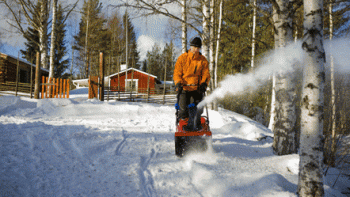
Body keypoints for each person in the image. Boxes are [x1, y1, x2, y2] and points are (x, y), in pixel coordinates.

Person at [173, 37, 210, 127]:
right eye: (194, 47)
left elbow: (206, 74)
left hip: (197, 89)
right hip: (184, 88)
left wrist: (203, 83)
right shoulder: (182, 58)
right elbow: (177, 73)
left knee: (197, 109)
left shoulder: (203, 60)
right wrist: (178, 83)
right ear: (190, 47)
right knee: (183, 110)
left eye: (197, 48)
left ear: (200, 48)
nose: (195, 50)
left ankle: (196, 126)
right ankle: (184, 126)